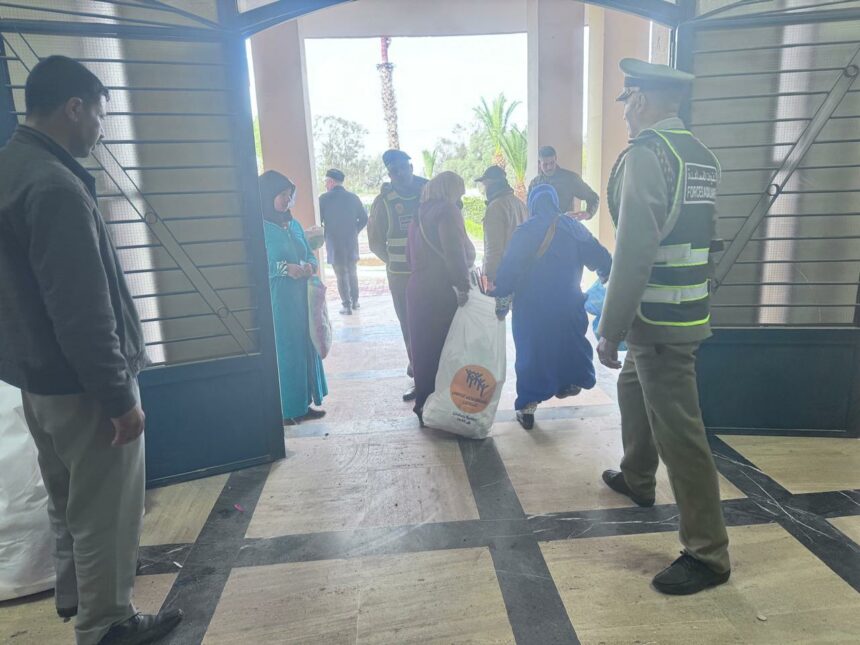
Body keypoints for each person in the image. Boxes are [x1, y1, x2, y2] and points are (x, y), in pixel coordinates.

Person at [0, 56, 183, 645]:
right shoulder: (54, 185)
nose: (100, 130)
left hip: (38, 379)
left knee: (69, 502)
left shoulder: (11, 168)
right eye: (99, 115)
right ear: (74, 108)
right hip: (82, 385)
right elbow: (82, 310)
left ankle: (79, 599)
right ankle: (106, 626)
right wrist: (117, 397)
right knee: (105, 509)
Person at [597, 58, 730, 595]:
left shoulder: (648, 156)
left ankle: (707, 553)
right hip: (686, 306)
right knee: (633, 387)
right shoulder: (699, 155)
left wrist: (610, 327)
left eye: (627, 101)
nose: (625, 111)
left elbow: (634, 251)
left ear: (642, 100)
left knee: (681, 434)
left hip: (657, 317)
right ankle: (637, 475)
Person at [493, 184, 611, 430]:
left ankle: (527, 406)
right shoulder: (574, 228)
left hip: (532, 309)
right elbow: (602, 258)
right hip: (568, 304)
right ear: (555, 202)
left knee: (532, 354)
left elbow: (509, 268)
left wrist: (502, 301)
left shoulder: (526, 231)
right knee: (568, 346)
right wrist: (604, 275)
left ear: (533, 204)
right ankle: (569, 382)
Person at [405, 172, 476, 423]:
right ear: (450, 190)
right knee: (448, 349)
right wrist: (463, 286)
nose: (460, 198)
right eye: (459, 192)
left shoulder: (418, 214)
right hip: (440, 290)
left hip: (417, 288)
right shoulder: (447, 211)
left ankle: (424, 404)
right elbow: (454, 252)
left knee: (423, 349)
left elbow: (408, 256)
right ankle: (445, 406)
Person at [259, 170, 328, 426]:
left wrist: (310, 265)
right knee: (287, 350)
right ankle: (287, 409)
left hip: (303, 297)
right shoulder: (260, 229)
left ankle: (303, 403)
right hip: (280, 300)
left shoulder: (294, 224)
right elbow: (256, 265)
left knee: (305, 346)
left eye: (289, 195)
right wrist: (284, 268)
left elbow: (309, 254)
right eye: (282, 195)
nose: (287, 200)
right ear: (267, 196)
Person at [368, 149, 428, 402]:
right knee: (410, 326)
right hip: (401, 276)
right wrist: (395, 261)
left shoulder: (429, 191)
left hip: (432, 275)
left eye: (404, 167)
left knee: (435, 323)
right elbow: (375, 242)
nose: (401, 174)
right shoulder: (383, 202)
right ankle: (419, 376)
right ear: (389, 174)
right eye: (394, 171)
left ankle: (435, 373)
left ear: (411, 167)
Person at [319, 168, 368, 315]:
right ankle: (355, 301)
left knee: (340, 274)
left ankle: (346, 305)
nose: (325, 185)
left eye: (326, 182)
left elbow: (318, 220)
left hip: (334, 242)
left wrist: (326, 234)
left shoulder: (323, 199)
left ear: (331, 182)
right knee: (352, 271)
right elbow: (364, 218)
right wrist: (354, 231)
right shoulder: (353, 198)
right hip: (351, 241)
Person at [475, 165, 527, 288]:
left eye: (485, 185)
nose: (485, 190)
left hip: (502, 276)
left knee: (500, 302)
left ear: (491, 184)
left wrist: (489, 277)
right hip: (520, 272)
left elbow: (494, 249)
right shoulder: (519, 204)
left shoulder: (495, 207)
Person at [527, 145, 599, 220]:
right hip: (541, 226)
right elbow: (529, 209)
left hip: (565, 225)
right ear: (539, 163)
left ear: (556, 159)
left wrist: (588, 213)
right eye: (545, 164)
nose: (549, 167)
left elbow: (593, 197)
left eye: (552, 163)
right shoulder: (534, 184)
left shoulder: (570, 179)